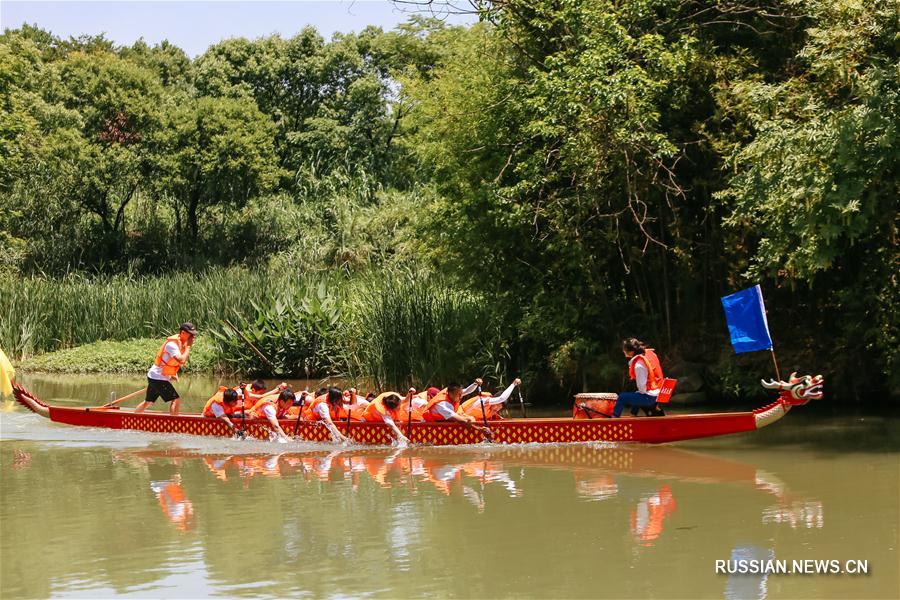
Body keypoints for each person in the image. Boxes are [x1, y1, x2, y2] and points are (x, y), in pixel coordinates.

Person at [135, 322, 197, 415]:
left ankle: (134, 417)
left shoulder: (180, 343)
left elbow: (169, 361)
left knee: (149, 402)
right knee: (175, 400)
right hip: (158, 377)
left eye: (193, 334)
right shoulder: (172, 344)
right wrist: (188, 347)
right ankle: (174, 424)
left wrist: (173, 374)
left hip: (155, 376)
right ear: (183, 333)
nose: (192, 337)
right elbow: (181, 360)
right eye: (190, 334)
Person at [613, 338, 666, 418]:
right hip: (659, 394)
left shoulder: (639, 365)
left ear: (631, 352)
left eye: (624, 349)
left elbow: (642, 388)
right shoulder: (650, 354)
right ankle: (633, 416)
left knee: (622, 397)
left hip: (650, 397)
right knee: (636, 394)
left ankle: (613, 419)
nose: (623, 351)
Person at [422, 382, 490, 433]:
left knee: (471, 418)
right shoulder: (443, 405)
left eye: (461, 394)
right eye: (459, 395)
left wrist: (475, 383)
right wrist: (479, 429)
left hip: (442, 420)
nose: (461, 397)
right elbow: (462, 421)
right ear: (450, 394)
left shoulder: (453, 392)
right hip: (430, 426)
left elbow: (467, 390)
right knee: (469, 419)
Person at [457, 378, 522, 421]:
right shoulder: (483, 401)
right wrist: (514, 384)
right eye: (498, 405)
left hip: (472, 421)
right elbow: (501, 398)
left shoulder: (491, 410)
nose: (498, 409)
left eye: (500, 407)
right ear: (494, 399)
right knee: (471, 419)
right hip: (459, 417)